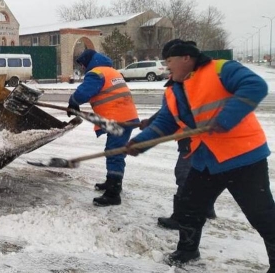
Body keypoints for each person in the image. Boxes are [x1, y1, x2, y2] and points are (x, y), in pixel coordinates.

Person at [125, 39, 275, 270]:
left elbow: (255, 86)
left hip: (243, 157)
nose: (167, 67)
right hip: (205, 159)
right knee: (189, 207)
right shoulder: (173, 90)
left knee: (262, 215)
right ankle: (187, 251)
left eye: (169, 61)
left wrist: (225, 118)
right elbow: (166, 122)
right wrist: (139, 143)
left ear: (186, 57)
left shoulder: (221, 69)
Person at [66, 49, 139, 206]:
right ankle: (111, 182)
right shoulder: (112, 71)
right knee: (113, 152)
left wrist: (73, 101)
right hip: (127, 116)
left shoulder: (96, 73)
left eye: (84, 65)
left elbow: (84, 93)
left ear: (89, 62)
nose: (84, 68)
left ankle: (113, 193)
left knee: (114, 154)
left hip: (118, 119)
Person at [141, 111, 216, 230]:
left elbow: (171, 111)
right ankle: (207, 207)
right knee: (204, 171)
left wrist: (150, 124)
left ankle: (181, 218)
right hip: (207, 135)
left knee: (185, 175)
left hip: (194, 137)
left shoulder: (185, 92)